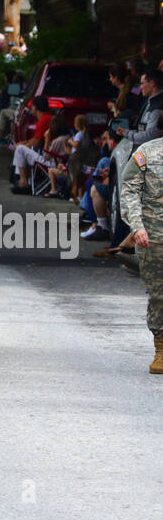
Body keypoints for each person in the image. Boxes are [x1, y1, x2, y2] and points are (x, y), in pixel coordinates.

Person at [118, 136, 163, 373]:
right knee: (160, 296)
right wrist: (137, 227)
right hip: (154, 239)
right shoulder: (146, 154)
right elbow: (129, 191)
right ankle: (161, 350)